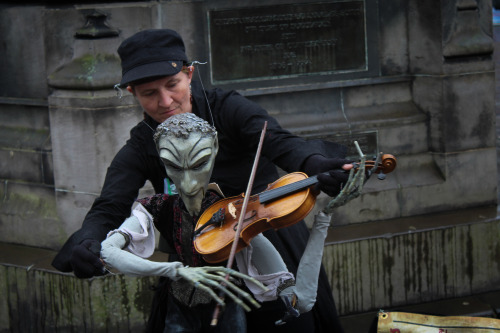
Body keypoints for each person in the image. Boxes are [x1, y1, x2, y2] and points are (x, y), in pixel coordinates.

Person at [51, 28, 350, 332]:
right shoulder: (142, 143)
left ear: (189, 74)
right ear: (132, 93)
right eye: (149, 93)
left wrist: (314, 163)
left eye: (172, 85)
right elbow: (110, 205)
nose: (165, 102)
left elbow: (280, 142)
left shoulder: (229, 108)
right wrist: (90, 239)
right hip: (198, 248)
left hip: (264, 232)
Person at [100, 113, 333, 332]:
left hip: (227, 312)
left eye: (199, 164)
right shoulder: (157, 206)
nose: (189, 184)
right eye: (173, 166)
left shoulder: (236, 217)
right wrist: (174, 270)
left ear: (215, 150)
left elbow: (300, 299)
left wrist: (323, 220)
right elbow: (108, 251)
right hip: (178, 309)